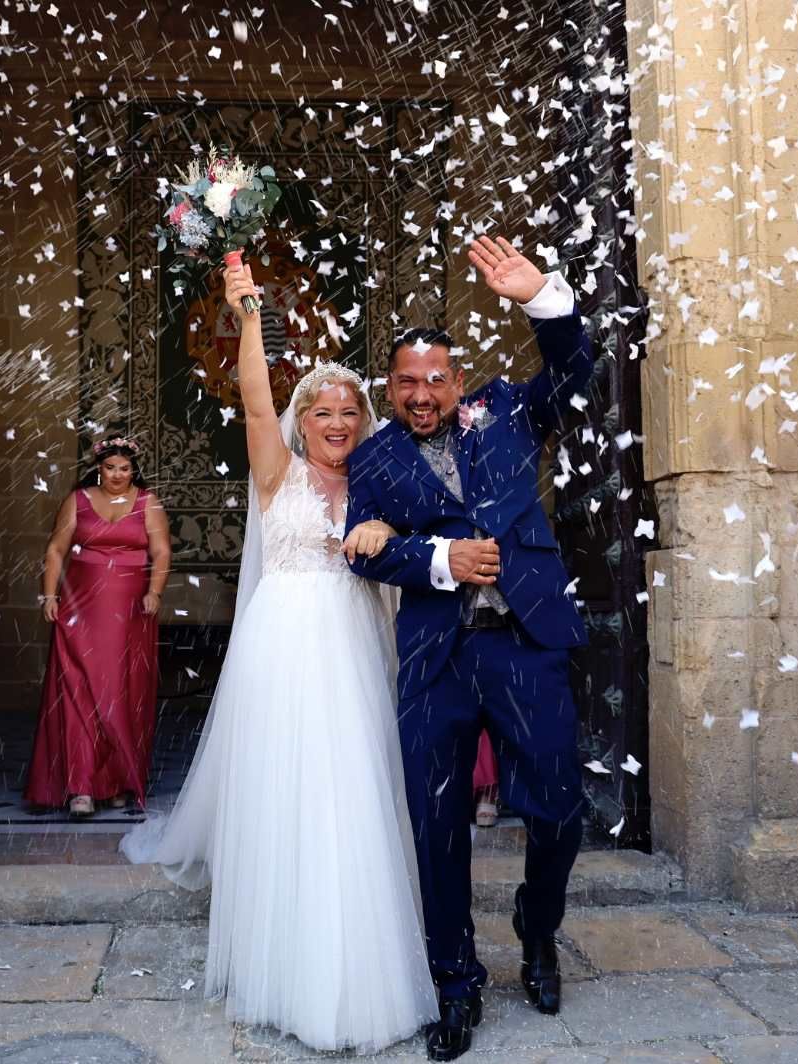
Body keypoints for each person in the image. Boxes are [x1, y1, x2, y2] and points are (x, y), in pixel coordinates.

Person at [121, 260, 438, 1053]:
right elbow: (255, 397)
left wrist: (391, 534)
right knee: (286, 796)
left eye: (348, 412)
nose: (335, 421)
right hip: (283, 652)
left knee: (352, 796)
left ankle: (358, 974)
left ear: (364, 423)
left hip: (354, 655)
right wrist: (250, 317)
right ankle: (283, 969)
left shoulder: (380, 485)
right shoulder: (278, 474)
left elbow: (418, 540)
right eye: (322, 410)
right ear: (304, 419)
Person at [345, 235, 593, 1060]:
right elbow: (360, 545)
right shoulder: (373, 458)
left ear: (459, 380)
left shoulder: (510, 411)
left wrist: (542, 303)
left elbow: (573, 372)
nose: (422, 396)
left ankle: (537, 924)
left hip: (525, 642)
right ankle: (455, 980)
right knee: (437, 824)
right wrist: (438, 559)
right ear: (390, 387)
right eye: (406, 383)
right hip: (438, 658)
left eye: (436, 381)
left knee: (560, 806)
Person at [26, 436, 171, 815]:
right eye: (110, 468)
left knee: (120, 694)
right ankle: (81, 788)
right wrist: (50, 595)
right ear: (99, 468)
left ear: (133, 469)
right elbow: (57, 549)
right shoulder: (78, 500)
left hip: (129, 614)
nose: (118, 475)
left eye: (124, 468)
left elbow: (162, 551)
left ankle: (119, 777)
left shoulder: (148, 502)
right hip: (80, 608)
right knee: (78, 693)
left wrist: (155, 591)